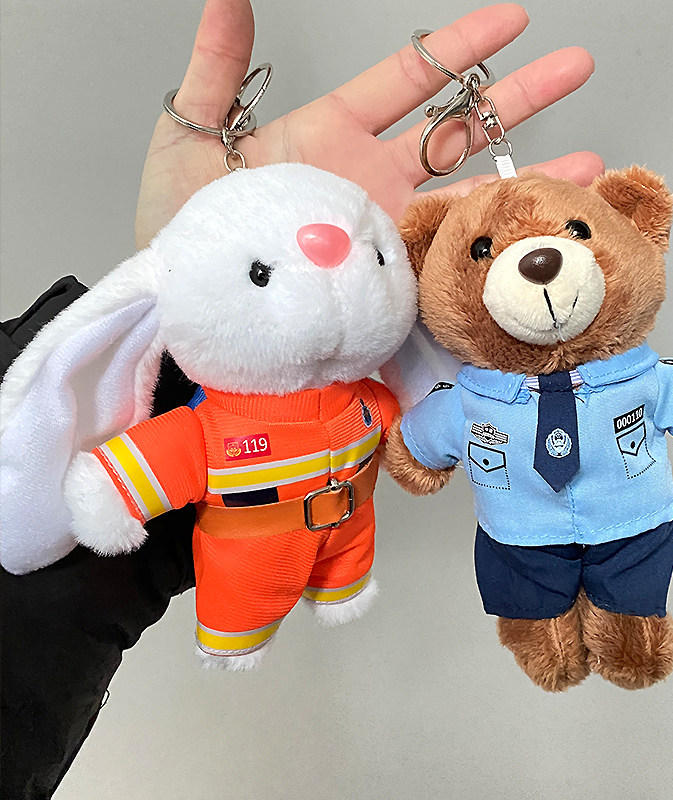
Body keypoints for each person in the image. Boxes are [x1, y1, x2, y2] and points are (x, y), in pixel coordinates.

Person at [0, 1, 603, 797]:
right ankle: (237, 633)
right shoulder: (208, 427)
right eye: (259, 273)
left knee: (348, 564)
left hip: (346, 526)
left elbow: (413, 419)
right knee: (240, 612)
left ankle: (340, 586)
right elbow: (151, 461)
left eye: (375, 259)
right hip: (243, 555)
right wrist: (110, 488)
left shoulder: (368, 393)